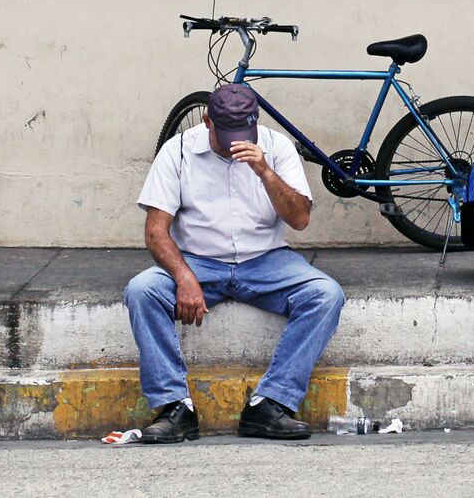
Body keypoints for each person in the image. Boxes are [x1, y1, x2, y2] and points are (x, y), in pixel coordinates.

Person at [124, 83, 344, 443]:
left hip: (266, 261)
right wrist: (184, 277)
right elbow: (155, 232)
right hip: (199, 262)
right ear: (207, 121)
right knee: (142, 290)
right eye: (226, 134)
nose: (234, 143)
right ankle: (175, 408)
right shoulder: (177, 151)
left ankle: (270, 405)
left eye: (243, 132)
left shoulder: (276, 147)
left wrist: (265, 172)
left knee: (326, 294)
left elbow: (300, 219)